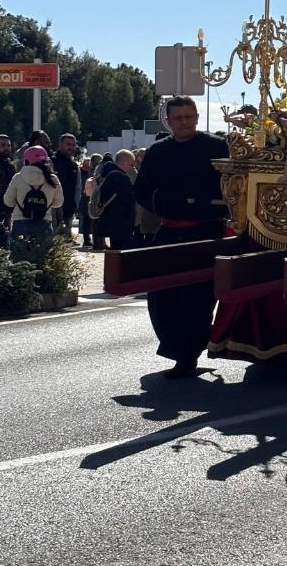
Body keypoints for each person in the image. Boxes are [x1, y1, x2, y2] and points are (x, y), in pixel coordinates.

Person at [134, 97, 229, 378]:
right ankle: (176, 346)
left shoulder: (216, 147)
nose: (184, 122)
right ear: (169, 121)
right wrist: (168, 203)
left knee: (197, 298)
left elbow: (233, 185)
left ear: (197, 117)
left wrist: (201, 203)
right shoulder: (158, 152)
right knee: (161, 295)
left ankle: (189, 355)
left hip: (206, 232)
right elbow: (142, 190)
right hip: (170, 229)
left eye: (189, 117)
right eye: (178, 118)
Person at [3, 146, 63, 244]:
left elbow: (8, 202)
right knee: (42, 257)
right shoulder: (53, 179)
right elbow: (58, 203)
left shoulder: (18, 177)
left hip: (20, 223)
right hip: (44, 223)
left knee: (20, 256)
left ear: (26, 161)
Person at [95, 149, 137, 250]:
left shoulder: (109, 174)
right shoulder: (117, 176)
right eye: (131, 165)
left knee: (116, 252)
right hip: (119, 222)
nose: (133, 168)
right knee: (119, 253)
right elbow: (127, 198)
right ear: (124, 162)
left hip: (114, 222)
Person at [52, 133, 81, 238]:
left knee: (65, 246)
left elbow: (78, 188)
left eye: (73, 145)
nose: (71, 147)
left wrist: (75, 206)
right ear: (60, 145)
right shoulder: (51, 162)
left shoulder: (74, 166)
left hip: (68, 210)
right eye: (68, 144)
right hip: (53, 211)